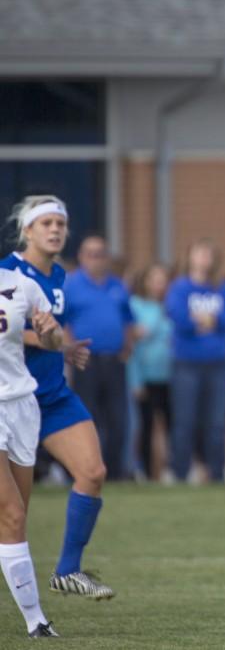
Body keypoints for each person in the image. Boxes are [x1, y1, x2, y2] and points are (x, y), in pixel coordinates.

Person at [0, 195, 116, 599]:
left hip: (51, 397)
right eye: (45, 223)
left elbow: (48, 332)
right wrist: (52, 342)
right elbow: (7, 329)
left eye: (60, 224)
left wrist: (60, 346)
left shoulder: (60, 277)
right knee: (13, 515)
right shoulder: (6, 273)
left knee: (93, 472)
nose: (54, 230)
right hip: (10, 403)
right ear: (27, 230)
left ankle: (68, 571)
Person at [0, 265, 61, 637]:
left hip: (21, 404)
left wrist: (49, 334)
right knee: (12, 515)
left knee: (16, 516)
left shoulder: (21, 284)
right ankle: (36, 621)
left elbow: (53, 341)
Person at [165, 239, 225, 483]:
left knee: (216, 423)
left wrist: (209, 320)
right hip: (186, 363)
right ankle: (180, 474)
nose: (204, 259)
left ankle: (217, 474)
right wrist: (210, 320)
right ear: (190, 257)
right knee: (184, 422)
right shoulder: (179, 288)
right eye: (199, 253)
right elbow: (179, 318)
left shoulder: (224, 288)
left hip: (217, 365)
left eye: (208, 254)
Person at [62, 234, 136, 480]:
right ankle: (85, 472)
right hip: (86, 361)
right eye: (91, 254)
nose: (96, 259)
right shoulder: (71, 285)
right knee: (86, 418)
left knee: (118, 419)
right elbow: (63, 322)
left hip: (114, 361)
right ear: (82, 257)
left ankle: (115, 473)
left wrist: (127, 346)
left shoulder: (117, 285)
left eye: (101, 254)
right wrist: (70, 349)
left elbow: (128, 319)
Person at [127, 263, 173, 481]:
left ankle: (171, 470)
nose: (159, 285)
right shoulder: (135, 306)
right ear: (145, 281)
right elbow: (132, 345)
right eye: (155, 279)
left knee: (173, 427)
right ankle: (146, 472)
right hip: (145, 377)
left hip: (171, 377)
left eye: (163, 280)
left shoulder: (171, 306)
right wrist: (135, 381)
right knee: (145, 427)